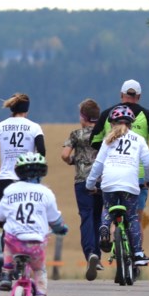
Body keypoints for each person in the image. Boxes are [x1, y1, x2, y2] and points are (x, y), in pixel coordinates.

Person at [0, 93, 46, 291]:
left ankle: (7, 268)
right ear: (27, 109)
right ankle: (28, 262)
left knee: (7, 225)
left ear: (11, 108)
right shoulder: (34, 127)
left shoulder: (0, 126)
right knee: (29, 220)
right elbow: (42, 152)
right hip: (27, 178)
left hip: (6, 180)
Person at [0, 152, 68, 296]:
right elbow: (55, 219)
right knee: (39, 270)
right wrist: (61, 228)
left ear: (18, 172)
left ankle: (6, 273)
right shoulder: (46, 193)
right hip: (36, 244)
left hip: (15, 242)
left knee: (8, 238)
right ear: (42, 172)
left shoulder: (10, 190)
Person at [90, 79, 149, 236]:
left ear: (121, 95)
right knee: (136, 220)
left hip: (111, 174)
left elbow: (94, 140)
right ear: (139, 96)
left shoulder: (108, 114)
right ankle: (136, 256)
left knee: (110, 211)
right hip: (137, 176)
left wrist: (104, 156)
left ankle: (110, 238)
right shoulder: (147, 115)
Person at [85, 104, 149, 269]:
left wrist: (90, 184)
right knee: (132, 217)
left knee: (107, 208)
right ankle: (137, 253)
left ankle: (104, 228)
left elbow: (98, 165)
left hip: (109, 183)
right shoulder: (138, 139)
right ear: (130, 123)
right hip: (130, 184)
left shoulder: (108, 140)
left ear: (112, 123)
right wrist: (148, 179)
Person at [61, 98, 105, 281]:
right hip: (102, 181)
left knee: (86, 216)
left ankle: (90, 254)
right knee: (98, 216)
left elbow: (64, 155)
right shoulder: (105, 134)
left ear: (83, 117)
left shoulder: (75, 135)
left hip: (82, 181)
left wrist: (73, 161)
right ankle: (99, 254)